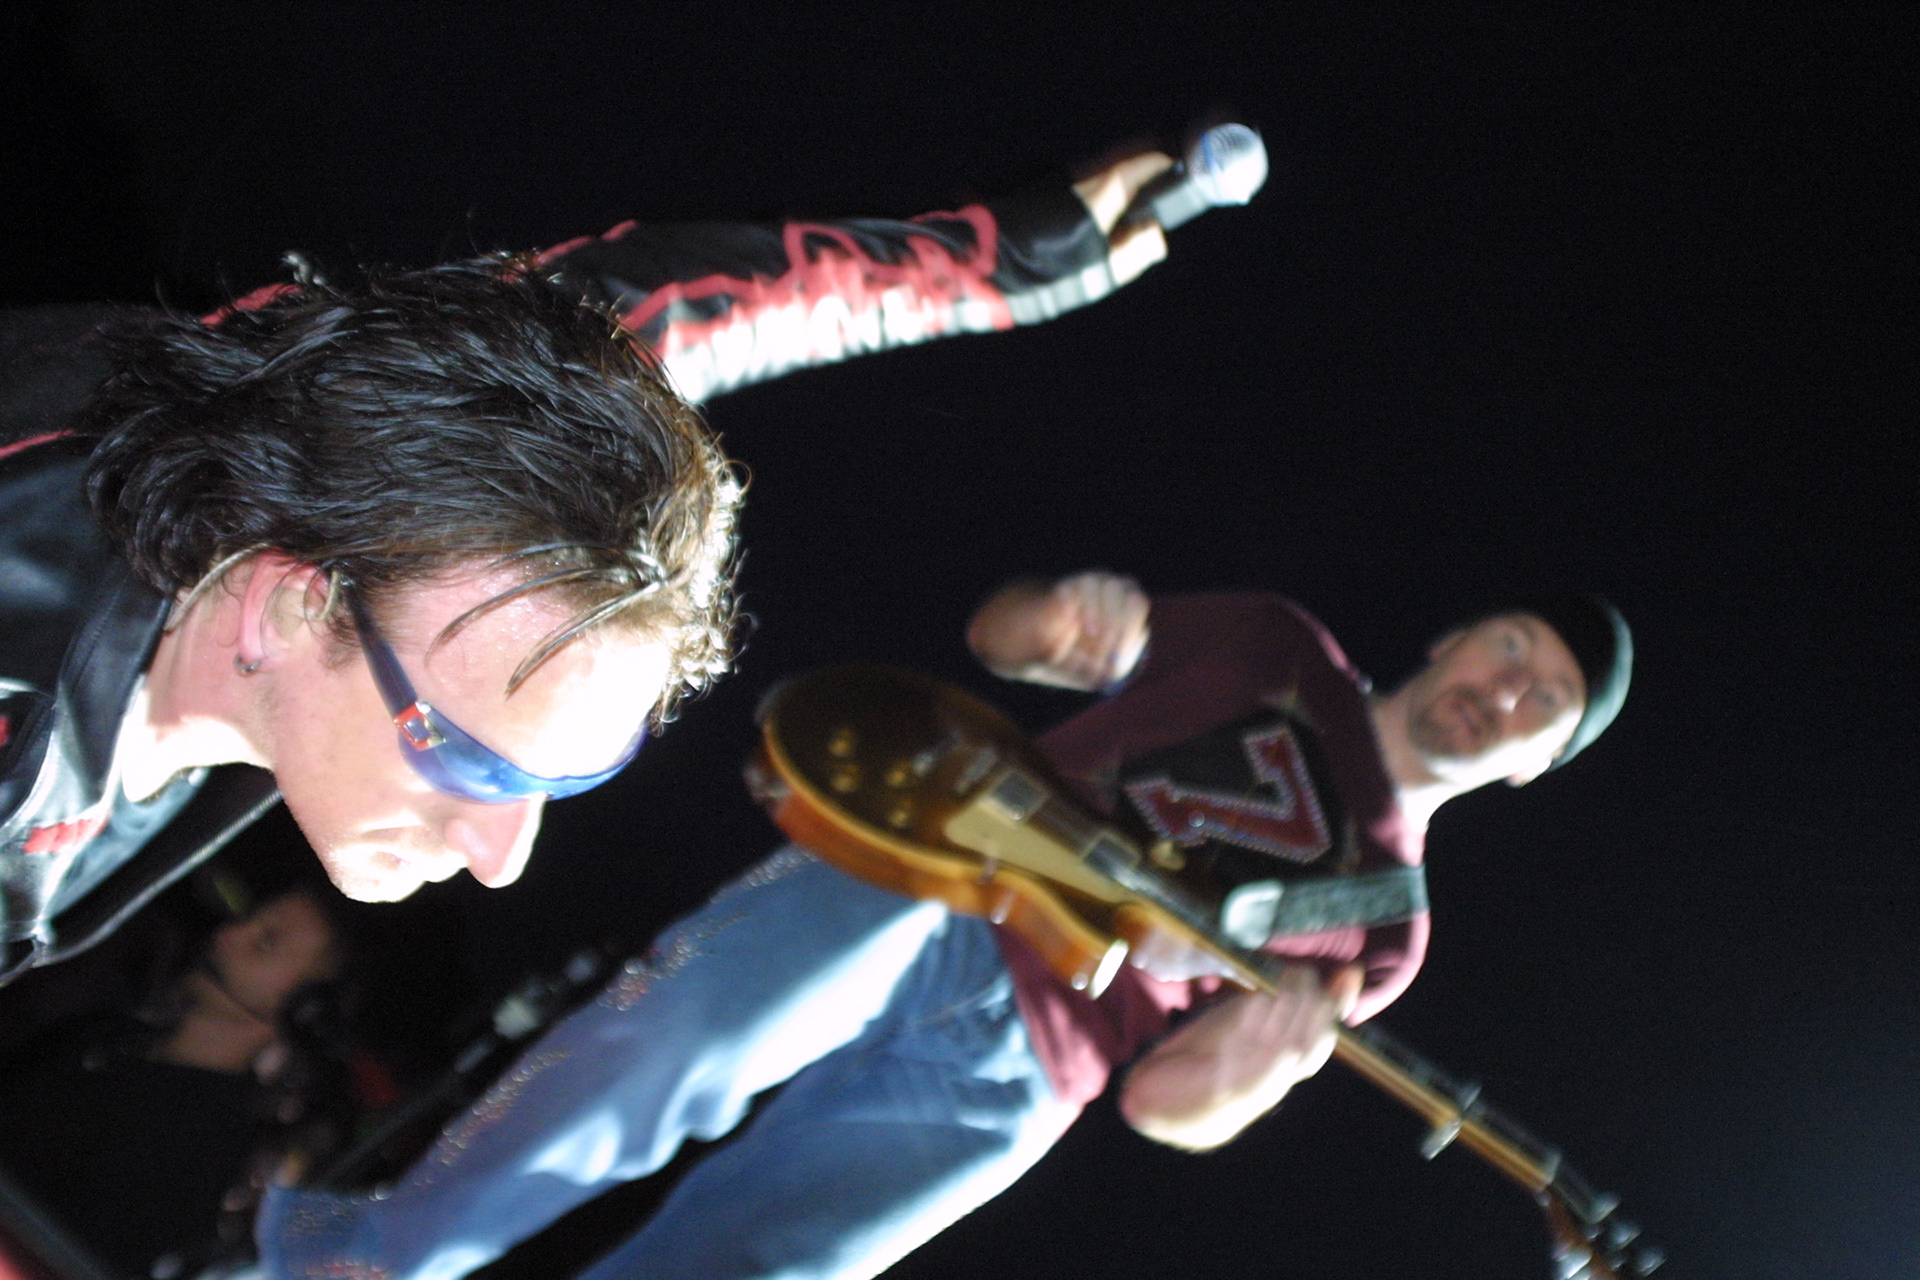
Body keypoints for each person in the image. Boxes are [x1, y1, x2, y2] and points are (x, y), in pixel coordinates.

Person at [0, 142, 1187, 983]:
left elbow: (633, 313)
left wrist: (988, 263)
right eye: (468, 758)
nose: (499, 857)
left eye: (555, 782)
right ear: (286, 604)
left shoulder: (341, 426)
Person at [255, 569, 1632, 1280]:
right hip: (946, 877)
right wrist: (1060, 618)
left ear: (1535, 767)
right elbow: (1006, 636)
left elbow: (1165, 1104)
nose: (1507, 690)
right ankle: (356, 1260)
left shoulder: (1387, 930)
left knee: (772, 1262)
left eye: (1546, 705)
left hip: (1026, 1073)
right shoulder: (1277, 643)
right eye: (1513, 647)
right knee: (670, 1047)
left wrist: (1251, 1074)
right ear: (1460, 635)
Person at [0, 882, 350, 1279]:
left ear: (304, 1011)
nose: (227, 934)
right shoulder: (107, 1033)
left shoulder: (199, 1151)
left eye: (265, 942)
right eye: (245, 919)